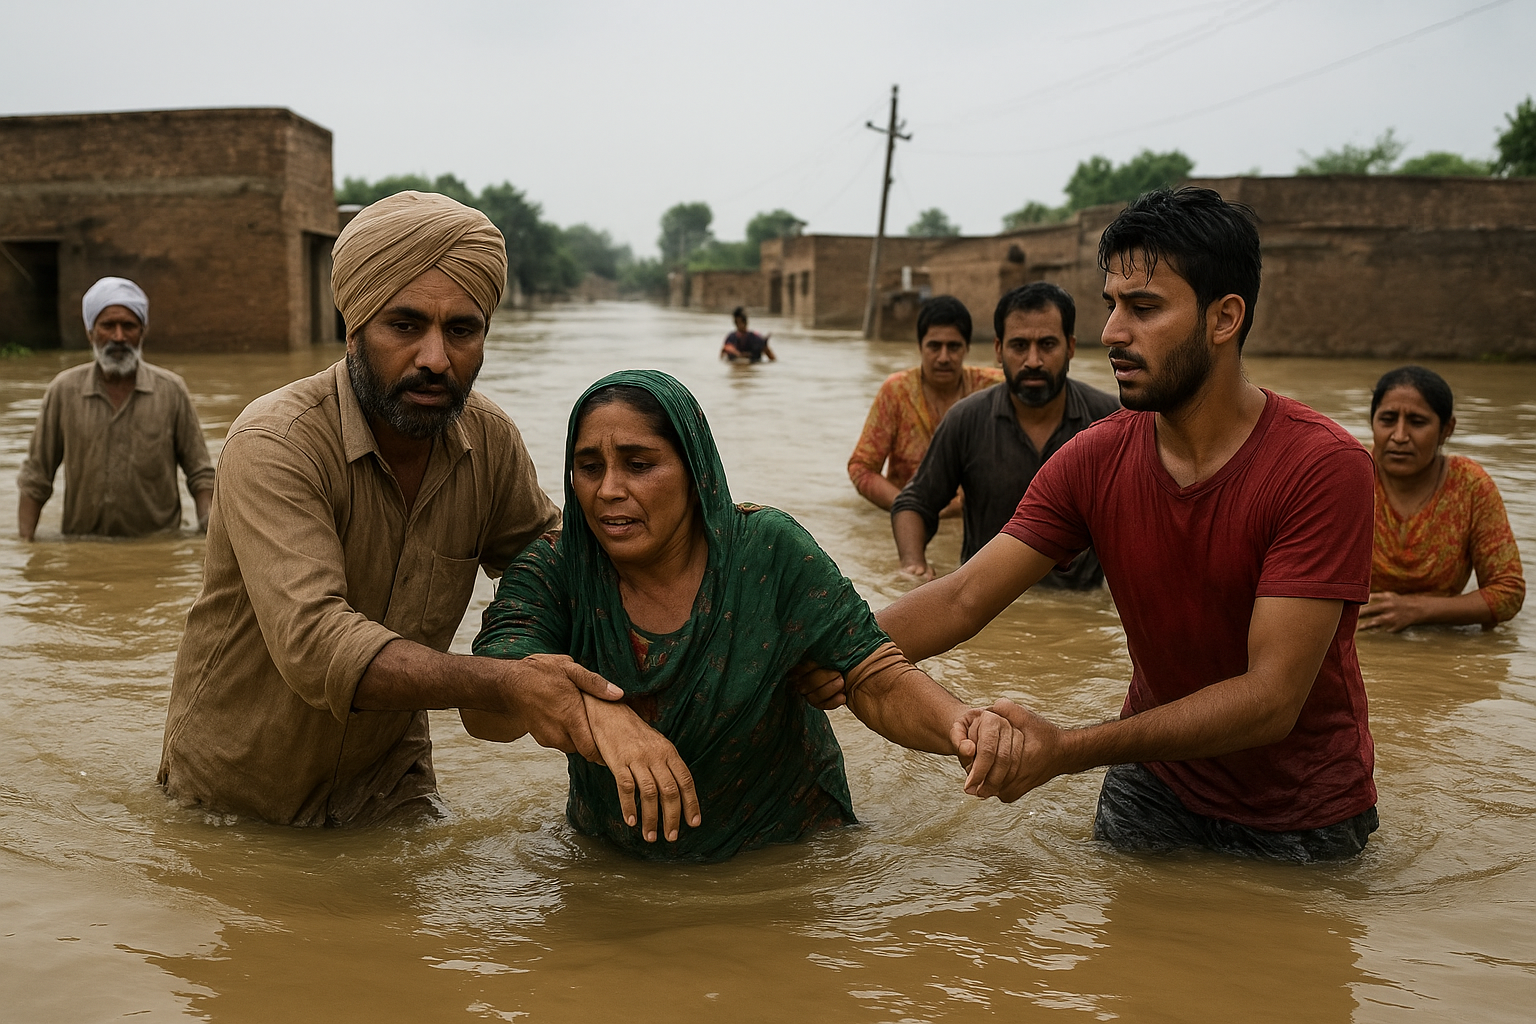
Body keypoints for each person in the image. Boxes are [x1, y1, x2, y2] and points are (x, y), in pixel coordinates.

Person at [811, 187, 1380, 863]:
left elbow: (1270, 699)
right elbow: (964, 596)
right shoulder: (1093, 458)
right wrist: (829, 653)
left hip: (1302, 810)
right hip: (1157, 787)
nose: (1112, 331)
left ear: (1224, 318)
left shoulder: (1322, 467)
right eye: (1111, 304)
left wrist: (1067, 749)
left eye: (1144, 308)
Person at [159, 191, 623, 827]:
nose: (435, 359)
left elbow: (562, 568)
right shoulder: (277, 442)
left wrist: (716, 557)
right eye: (405, 326)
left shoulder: (489, 441)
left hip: (390, 785)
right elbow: (315, 643)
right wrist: (504, 683)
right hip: (237, 798)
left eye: (461, 330)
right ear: (353, 330)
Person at [468, 370, 1022, 862]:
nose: (609, 490)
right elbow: (484, 710)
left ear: (695, 472)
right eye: (589, 467)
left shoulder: (767, 551)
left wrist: (961, 725)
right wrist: (601, 716)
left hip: (788, 856)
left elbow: (873, 675)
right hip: (612, 863)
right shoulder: (555, 570)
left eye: (639, 465)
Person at [889, 284, 1118, 586]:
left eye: (1047, 344)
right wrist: (913, 565)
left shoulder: (1110, 420)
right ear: (998, 350)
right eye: (1019, 345)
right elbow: (914, 503)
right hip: (983, 601)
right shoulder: (966, 420)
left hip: (1080, 599)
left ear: (1071, 347)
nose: (1033, 360)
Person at [16, 277, 214, 539]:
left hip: (156, 544)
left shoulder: (171, 390)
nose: (118, 337)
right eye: (107, 326)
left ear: (142, 332)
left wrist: (209, 535)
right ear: (90, 332)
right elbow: (36, 478)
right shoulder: (63, 390)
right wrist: (25, 546)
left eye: (129, 326)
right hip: (82, 544)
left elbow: (201, 475)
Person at [1361, 365, 1524, 632]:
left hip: (1440, 634)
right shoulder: (1349, 473)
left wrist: (1417, 610)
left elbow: (1508, 593)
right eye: (1387, 420)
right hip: (1358, 634)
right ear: (1372, 423)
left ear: (1447, 429)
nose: (1399, 436)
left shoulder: (1470, 485)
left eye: (1417, 422)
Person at [847, 294, 1003, 512]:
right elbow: (861, 467)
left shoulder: (994, 388)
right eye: (934, 346)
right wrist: (909, 508)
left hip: (973, 517)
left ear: (967, 348)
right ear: (920, 347)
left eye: (954, 347)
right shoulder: (896, 392)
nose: (943, 357)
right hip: (908, 512)